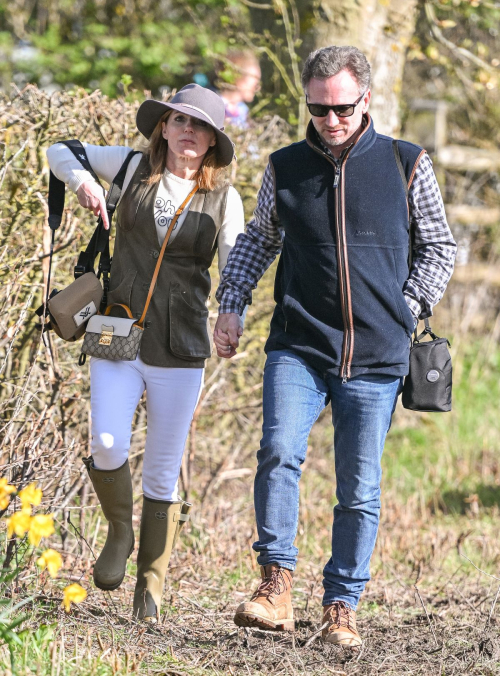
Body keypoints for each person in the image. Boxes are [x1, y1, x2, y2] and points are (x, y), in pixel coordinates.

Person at [214, 46, 456, 646]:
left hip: (377, 353)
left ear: (366, 100)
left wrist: (409, 306)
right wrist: (231, 303)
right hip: (299, 343)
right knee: (277, 452)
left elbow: (440, 247)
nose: (331, 120)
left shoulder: (406, 163)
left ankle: (340, 608)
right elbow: (259, 238)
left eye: (342, 108)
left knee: (360, 486)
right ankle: (275, 585)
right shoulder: (286, 166)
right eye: (319, 109)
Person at [46, 84, 245, 622]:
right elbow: (59, 150)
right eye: (179, 120)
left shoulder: (225, 199)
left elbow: (236, 266)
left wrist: (234, 314)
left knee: (162, 471)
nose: (188, 132)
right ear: (163, 125)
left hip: (180, 347)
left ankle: (150, 591)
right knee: (107, 443)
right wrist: (85, 183)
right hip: (117, 331)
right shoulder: (132, 166)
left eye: (200, 127)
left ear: (212, 143)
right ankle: (118, 533)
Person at [217, 50, 261, 128]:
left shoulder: (243, 111)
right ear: (238, 77)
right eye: (255, 82)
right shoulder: (214, 107)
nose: (258, 88)